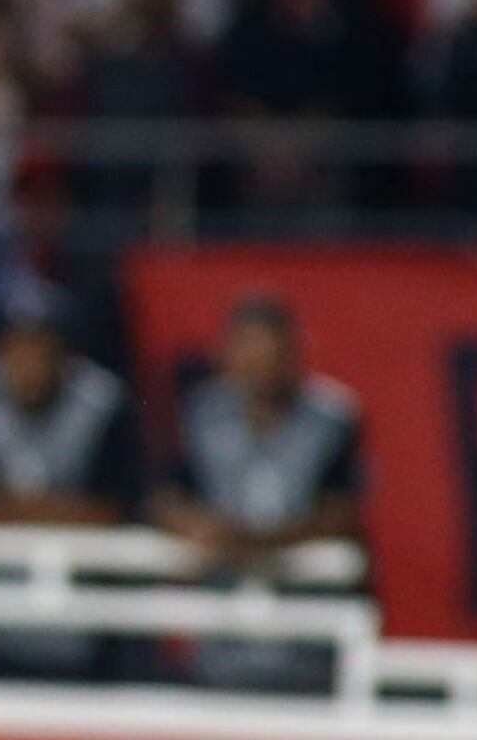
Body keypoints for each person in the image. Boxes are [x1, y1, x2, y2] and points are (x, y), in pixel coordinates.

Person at [0, 279, 143, 678]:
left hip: (83, 624)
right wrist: (58, 509)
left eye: (42, 349)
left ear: (65, 355)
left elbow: (108, 515)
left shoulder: (104, 404)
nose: (29, 363)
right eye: (17, 348)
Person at [153, 296, 365, 691]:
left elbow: (343, 514)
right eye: (249, 351)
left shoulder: (333, 417)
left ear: (296, 354)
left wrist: (252, 541)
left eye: (272, 353)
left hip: (307, 621)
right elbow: (166, 499)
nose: (260, 366)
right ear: (227, 353)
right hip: (220, 623)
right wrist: (196, 527)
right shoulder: (202, 413)